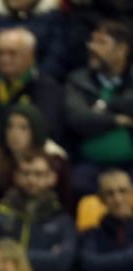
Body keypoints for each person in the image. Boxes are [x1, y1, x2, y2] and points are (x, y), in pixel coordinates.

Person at [65, 20, 133, 198]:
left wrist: (104, 106)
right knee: (75, 184)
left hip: (130, 164)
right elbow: (77, 118)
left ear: (122, 49)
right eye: (92, 41)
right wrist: (118, 120)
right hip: (89, 165)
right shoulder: (78, 81)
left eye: (102, 42)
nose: (92, 47)